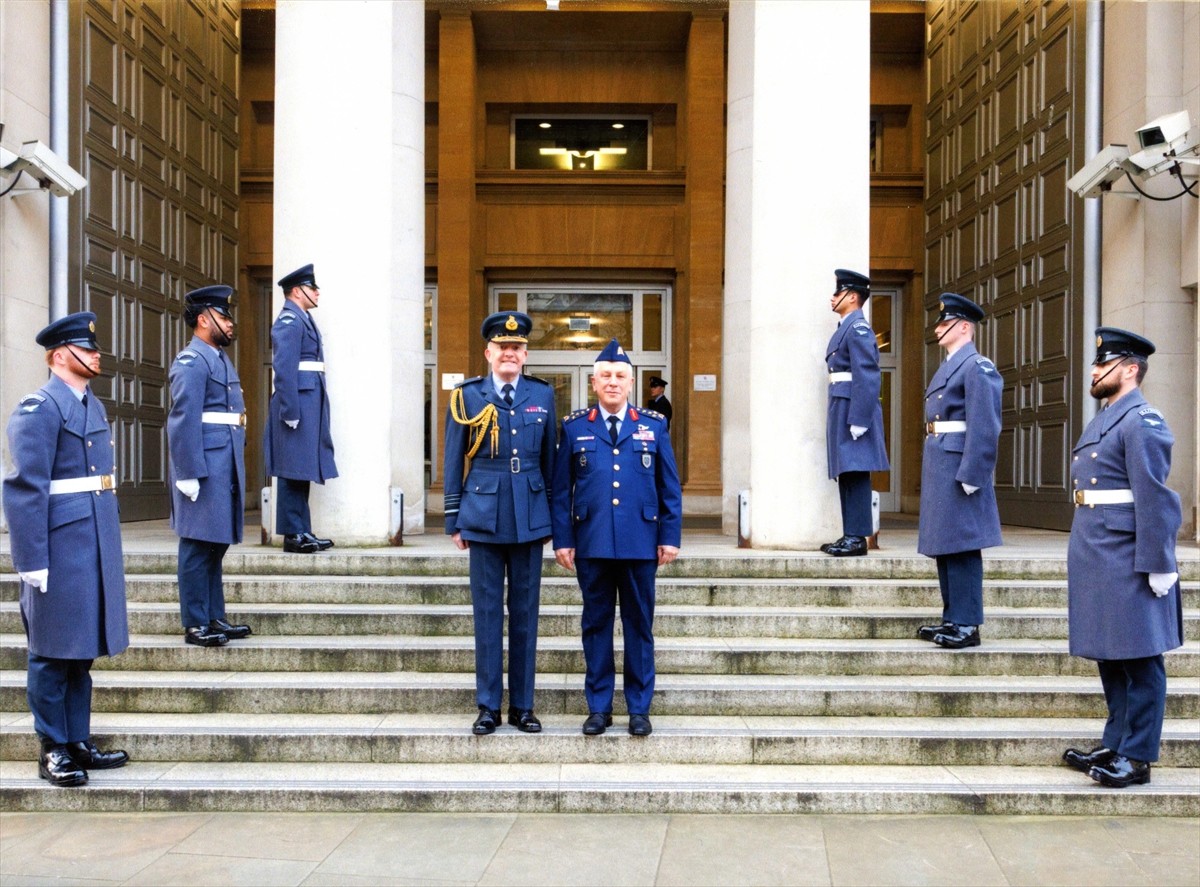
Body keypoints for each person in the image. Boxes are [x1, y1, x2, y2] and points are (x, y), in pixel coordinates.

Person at [2, 311, 130, 786]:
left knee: (81, 649)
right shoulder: (39, 408)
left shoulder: (91, 404)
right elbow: (25, 489)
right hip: (57, 544)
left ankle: (77, 740)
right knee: (51, 651)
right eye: (86, 349)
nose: (96, 355)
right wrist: (31, 559)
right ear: (59, 356)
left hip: (92, 539)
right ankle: (52, 747)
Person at [1061, 327, 1183, 788]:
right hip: (1097, 546)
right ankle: (1116, 742)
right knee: (1111, 653)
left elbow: (1155, 498)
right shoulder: (1110, 416)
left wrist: (1159, 562)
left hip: (1127, 550)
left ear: (1130, 369)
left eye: (1103, 364)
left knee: (1140, 657)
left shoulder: (1142, 420)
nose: (1094, 371)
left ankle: (1137, 757)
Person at [552, 338, 682, 737]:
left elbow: (669, 487)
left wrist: (670, 536)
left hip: (641, 542)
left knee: (639, 626)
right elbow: (561, 490)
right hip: (591, 542)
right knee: (596, 626)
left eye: (620, 376)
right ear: (594, 383)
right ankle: (599, 707)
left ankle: (639, 708)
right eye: (605, 376)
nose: (613, 382)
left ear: (631, 383)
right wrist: (562, 539)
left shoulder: (653, 425)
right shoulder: (575, 426)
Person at [444, 311, 556, 735]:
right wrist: (453, 518)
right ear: (488, 352)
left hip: (528, 515)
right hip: (483, 515)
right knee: (488, 614)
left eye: (517, 347)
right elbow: (452, 459)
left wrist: (551, 519)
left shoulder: (542, 394)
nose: (510, 353)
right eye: (502, 347)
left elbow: (550, 460)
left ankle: (522, 706)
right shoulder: (467, 396)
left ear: (525, 355)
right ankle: (489, 706)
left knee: (526, 614)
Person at [916, 293, 1003, 649]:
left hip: (959, 464)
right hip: (942, 461)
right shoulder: (953, 365)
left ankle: (967, 624)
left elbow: (985, 425)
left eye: (946, 322)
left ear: (964, 327)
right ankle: (953, 617)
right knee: (946, 544)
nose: (938, 328)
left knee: (963, 546)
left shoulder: (977, 366)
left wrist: (974, 473)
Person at [167, 286, 253, 647]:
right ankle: (195, 623)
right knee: (197, 546)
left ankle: (214, 616)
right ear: (203, 320)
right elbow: (183, 419)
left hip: (222, 463)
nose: (231, 324)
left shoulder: (217, 357)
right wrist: (187, 472)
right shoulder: (192, 361)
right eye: (224, 317)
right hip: (203, 465)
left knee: (215, 545)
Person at [265, 263, 337, 553]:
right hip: (297, 404)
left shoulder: (302, 318)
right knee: (291, 468)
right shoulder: (289, 320)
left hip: (308, 400)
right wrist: (290, 411)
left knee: (301, 467)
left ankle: (302, 529)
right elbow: (284, 370)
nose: (317, 292)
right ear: (296, 291)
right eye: (312, 288)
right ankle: (293, 534)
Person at [821, 268, 890, 557]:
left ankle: (857, 537)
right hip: (843, 405)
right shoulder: (846, 328)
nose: (832, 297)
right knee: (847, 472)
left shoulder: (858, 328)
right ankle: (850, 533)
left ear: (852, 296)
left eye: (838, 292)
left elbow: (868, 375)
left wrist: (860, 418)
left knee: (857, 472)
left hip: (853, 408)